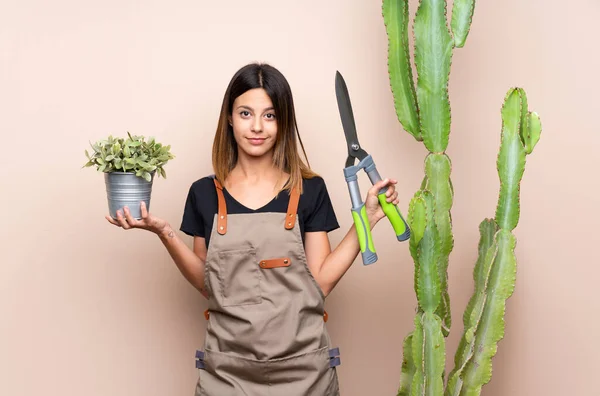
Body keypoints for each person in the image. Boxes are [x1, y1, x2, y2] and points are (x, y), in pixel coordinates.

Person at [106, 62, 400, 396]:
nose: (257, 126)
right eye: (246, 114)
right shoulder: (203, 193)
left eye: (270, 115)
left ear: (283, 122)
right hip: (227, 375)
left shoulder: (309, 189)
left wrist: (370, 218)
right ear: (229, 118)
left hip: (305, 374)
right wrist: (165, 232)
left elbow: (321, 280)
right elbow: (209, 285)